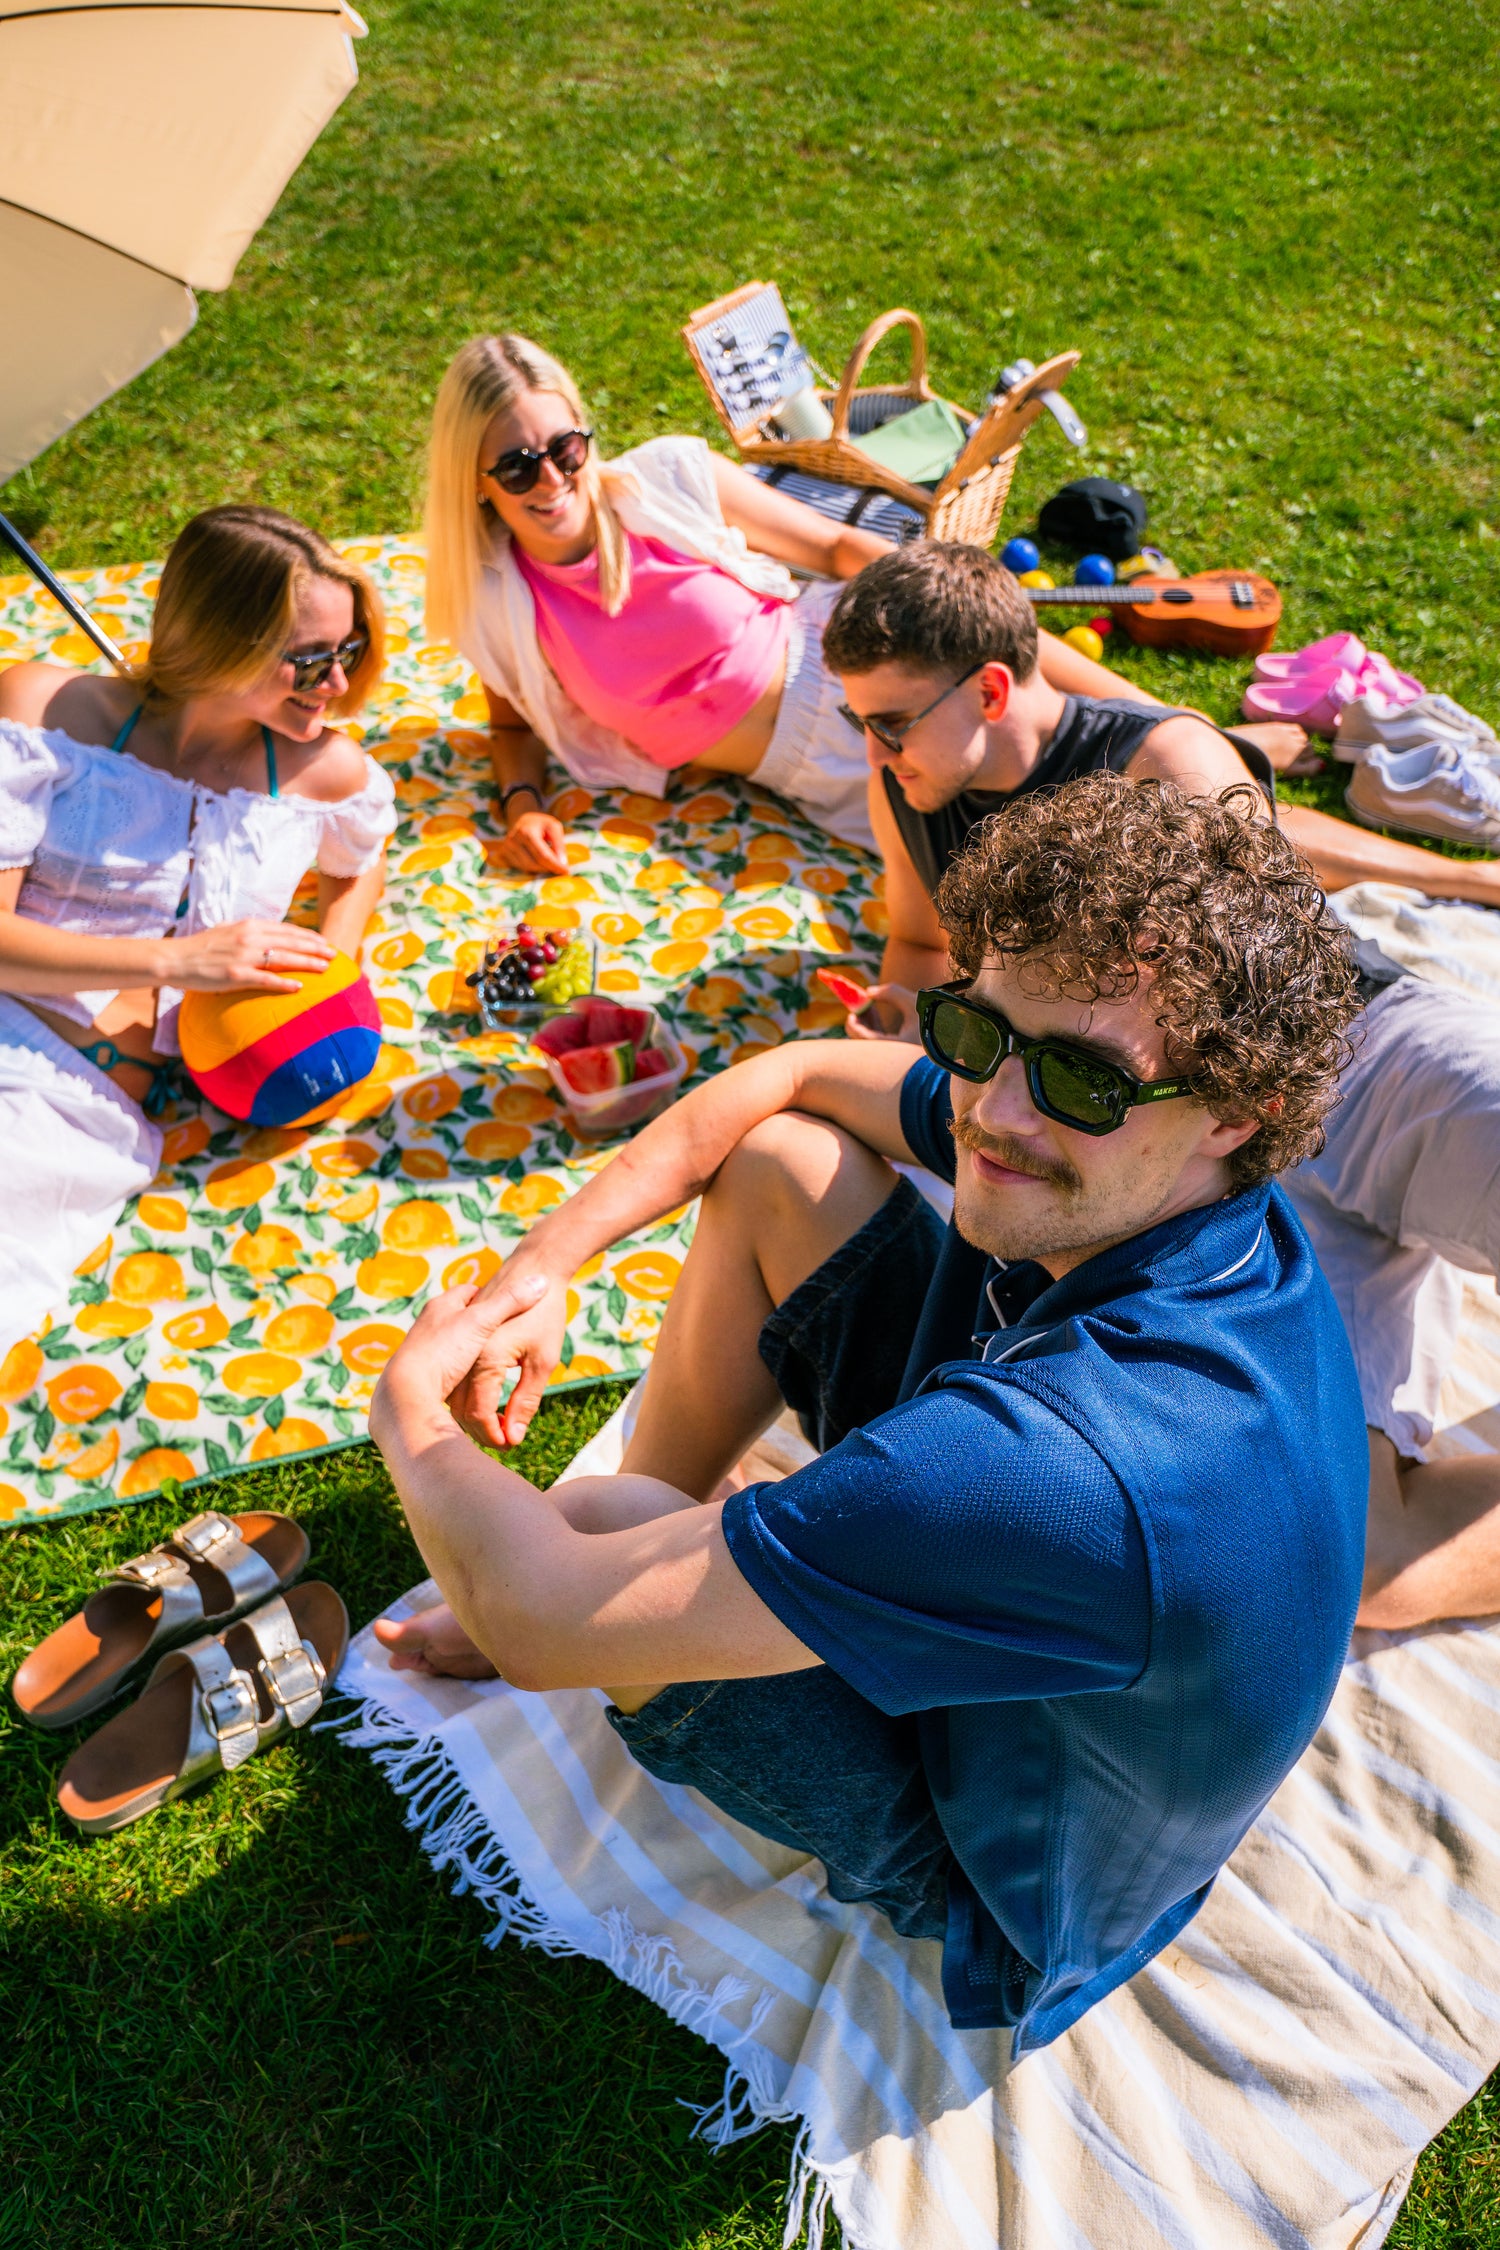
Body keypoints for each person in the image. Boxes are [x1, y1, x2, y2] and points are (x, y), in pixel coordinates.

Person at [369, 775, 1368, 2056]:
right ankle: (672, 1550)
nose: (993, 1113)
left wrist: (417, 1414)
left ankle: (652, 1550)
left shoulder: (1054, 1466)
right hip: (1065, 1639)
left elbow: (536, 1627)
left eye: (1081, 1080)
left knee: (593, 1525)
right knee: (788, 1163)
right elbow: (785, 1076)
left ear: (1240, 1112)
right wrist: (534, 1278)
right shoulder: (1189, 1191)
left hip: (998, 1875)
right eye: (977, 1033)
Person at [817, 541, 1500, 1631]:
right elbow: (911, 941)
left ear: (990, 688)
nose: (873, 746)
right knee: (1367, 1572)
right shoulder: (915, 787)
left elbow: (1256, 992)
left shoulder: (1167, 762)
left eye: (890, 720)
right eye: (858, 718)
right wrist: (902, 1013)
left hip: (1361, 1063)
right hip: (1220, 1190)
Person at [421, 331, 1299, 865]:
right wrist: (522, 805)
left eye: (565, 447)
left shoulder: (667, 478)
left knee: (1010, 667)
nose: (552, 478)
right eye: (516, 464)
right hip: (826, 765)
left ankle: (1190, 734)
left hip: (844, 654)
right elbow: (510, 723)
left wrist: (941, 589)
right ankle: (1224, 783)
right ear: (475, 482)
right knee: (1081, 838)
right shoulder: (494, 603)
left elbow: (833, 545)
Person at [0, 503, 397, 1353]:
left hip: (72, 1108)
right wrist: (184, 959)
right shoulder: (47, 713)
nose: (335, 686)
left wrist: (336, 954)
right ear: (220, 641)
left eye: (348, 652)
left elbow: (361, 858)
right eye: (308, 659)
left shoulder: (322, 771)